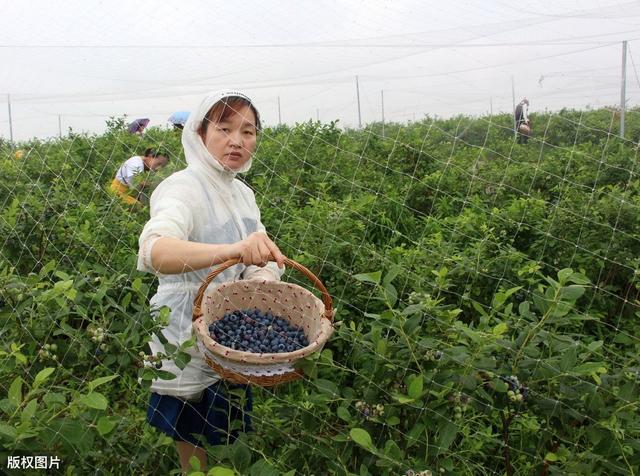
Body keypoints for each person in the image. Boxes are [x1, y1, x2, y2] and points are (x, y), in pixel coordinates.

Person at [136, 90, 286, 473]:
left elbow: (257, 252)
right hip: (185, 330)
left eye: (248, 131)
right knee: (192, 438)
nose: (237, 140)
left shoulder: (243, 194)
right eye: (224, 128)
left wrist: (264, 273)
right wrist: (232, 251)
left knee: (225, 428)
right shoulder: (182, 187)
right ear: (200, 134)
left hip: (230, 333)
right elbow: (156, 252)